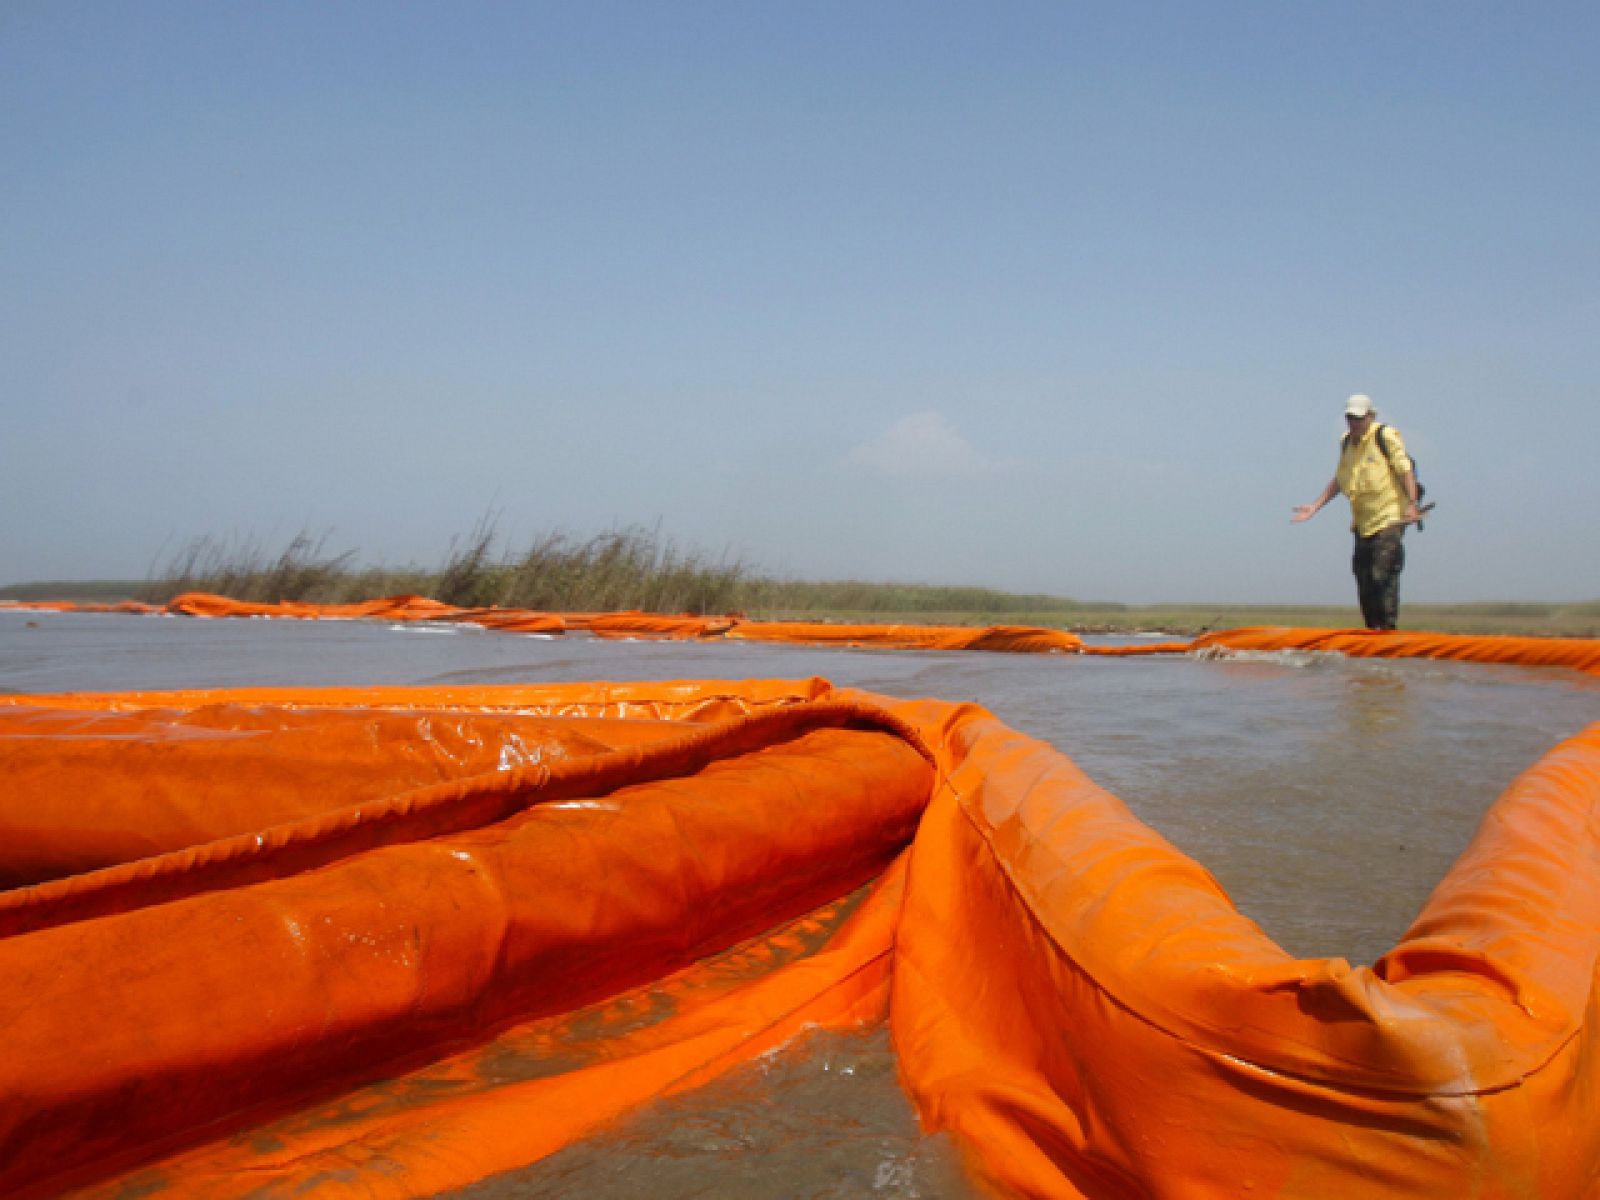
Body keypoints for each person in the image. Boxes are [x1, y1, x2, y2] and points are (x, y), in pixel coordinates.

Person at [1292, 394, 1421, 631]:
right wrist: (1314, 506)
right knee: (1363, 577)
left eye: (1359, 418)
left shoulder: (1385, 436)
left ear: (1370, 416)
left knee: (1382, 574)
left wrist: (1412, 504)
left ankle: (1388, 630)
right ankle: (1371, 631)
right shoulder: (1346, 442)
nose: (1354, 423)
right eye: (1350, 418)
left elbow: (1405, 470)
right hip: (1363, 522)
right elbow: (1341, 479)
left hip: (1390, 517)